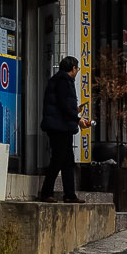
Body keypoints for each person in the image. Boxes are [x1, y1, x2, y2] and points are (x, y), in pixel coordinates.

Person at [39, 55, 82, 203]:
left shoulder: (57, 79)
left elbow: (60, 104)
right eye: (77, 68)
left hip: (60, 126)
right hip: (60, 127)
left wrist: (74, 110)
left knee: (67, 161)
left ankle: (70, 195)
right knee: (58, 160)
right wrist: (77, 118)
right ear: (73, 68)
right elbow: (64, 104)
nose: (77, 71)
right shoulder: (64, 81)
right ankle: (46, 193)